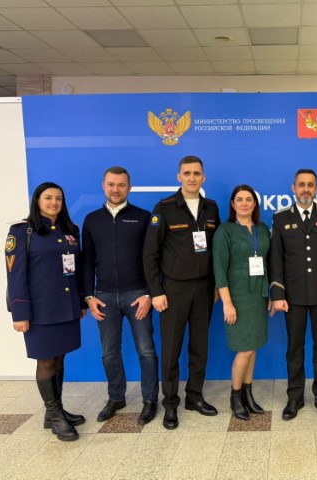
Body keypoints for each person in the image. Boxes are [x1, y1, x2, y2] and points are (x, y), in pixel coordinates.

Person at [143, 155, 221, 430]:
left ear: (203, 177)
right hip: (173, 289)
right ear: (179, 177)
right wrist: (156, 291)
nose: (191, 178)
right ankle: (170, 404)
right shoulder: (164, 208)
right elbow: (150, 253)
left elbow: (216, 251)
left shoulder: (211, 208)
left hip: (204, 288)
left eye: (196, 173)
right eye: (187, 173)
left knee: (199, 347)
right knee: (171, 350)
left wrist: (216, 285)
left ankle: (195, 397)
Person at [5, 182, 87, 442]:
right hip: (39, 309)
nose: (54, 203)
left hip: (66, 306)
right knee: (46, 361)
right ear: (37, 200)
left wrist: (80, 302)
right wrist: (19, 312)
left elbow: (75, 270)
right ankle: (54, 415)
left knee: (59, 358)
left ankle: (55, 411)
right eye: (48, 198)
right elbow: (15, 274)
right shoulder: (22, 231)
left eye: (58, 198)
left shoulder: (68, 230)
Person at [82, 166, 159, 425]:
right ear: (103, 186)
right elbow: (86, 261)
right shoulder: (92, 220)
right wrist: (88, 296)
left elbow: (153, 258)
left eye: (121, 185)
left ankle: (150, 400)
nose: (116, 189)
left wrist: (149, 293)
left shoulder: (143, 217)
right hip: (104, 297)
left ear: (129, 187)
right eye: (111, 184)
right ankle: (116, 398)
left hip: (138, 295)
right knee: (109, 353)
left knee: (146, 351)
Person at [270, 169, 317, 422]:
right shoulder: (281, 218)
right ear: (293, 188)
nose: (305, 189)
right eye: (301, 184)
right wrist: (278, 293)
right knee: (294, 349)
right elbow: (276, 259)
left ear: (316, 188)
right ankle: (295, 396)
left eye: (310, 185)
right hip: (292, 296)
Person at [213, 185, 270, 421]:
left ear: (255, 204)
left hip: (258, 295)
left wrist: (270, 294)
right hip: (237, 296)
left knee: (253, 346)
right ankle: (235, 396)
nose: (244, 203)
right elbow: (219, 268)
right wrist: (227, 303)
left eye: (249, 199)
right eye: (239, 199)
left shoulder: (262, 228)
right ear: (233, 204)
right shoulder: (225, 230)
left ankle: (248, 394)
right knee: (244, 348)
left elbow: (268, 261)